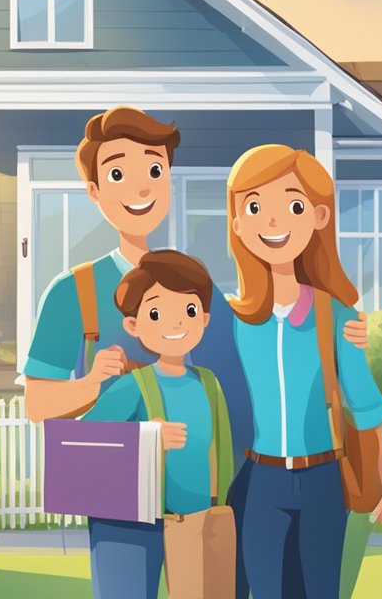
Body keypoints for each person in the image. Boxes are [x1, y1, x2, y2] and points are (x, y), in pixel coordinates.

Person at [22, 108, 369, 599]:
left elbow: (253, 382)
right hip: (122, 507)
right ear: (95, 191)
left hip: (210, 504)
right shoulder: (71, 293)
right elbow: (38, 405)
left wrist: (342, 327)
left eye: (155, 170)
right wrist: (92, 385)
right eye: (118, 173)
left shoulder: (201, 291)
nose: (140, 188)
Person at [224, 144, 382, 599]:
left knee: (320, 589)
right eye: (256, 207)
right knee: (261, 589)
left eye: (293, 205)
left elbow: (362, 399)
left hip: (324, 479)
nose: (274, 222)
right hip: (257, 479)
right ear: (238, 223)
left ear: (319, 217)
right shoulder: (229, 320)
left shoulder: (336, 315)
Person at [82, 250, 233, 599]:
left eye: (189, 311)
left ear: (205, 319)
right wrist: (149, 437)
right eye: (156, 312)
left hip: (197, 520)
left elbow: (220, 450)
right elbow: (85, 442)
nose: (176, 324)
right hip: (132, 525)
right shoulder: (132, 386)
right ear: (133, 325)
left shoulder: (209, 384)